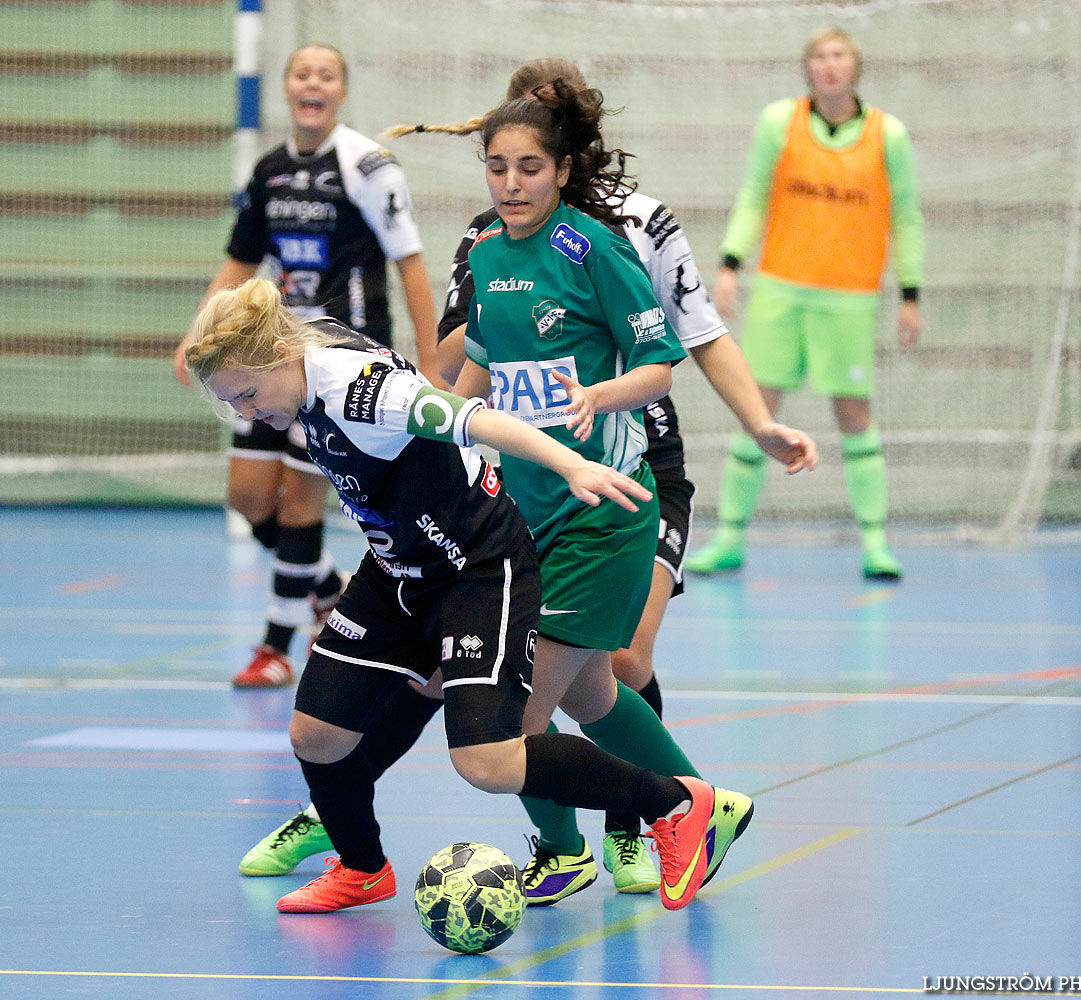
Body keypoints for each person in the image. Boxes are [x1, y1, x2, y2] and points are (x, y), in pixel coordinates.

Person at [238, 61, 803, 905]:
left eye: (528, 163)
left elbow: (665, 361)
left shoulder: (601, 241)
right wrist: (434, 438)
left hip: (600, 505)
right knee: (592, 691)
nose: (510, 180)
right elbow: (475, 377)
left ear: (564, 157)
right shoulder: (489, 253)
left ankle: (652, 819)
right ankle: (686, 812)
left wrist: (605, 401)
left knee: (512, 722)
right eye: (497, 164)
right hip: (523, 507)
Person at [186, 276, 732, 914]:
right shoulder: (297, 366)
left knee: (487, 761)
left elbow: (473, 417)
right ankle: (362, 868)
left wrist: (569, 463)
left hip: (479, 568)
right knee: (316, 734)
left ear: (279, 356)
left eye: (248, 395)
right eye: (234, 404)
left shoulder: (365, 393)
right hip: (397, 568)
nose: (249, 413)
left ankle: (677, 806)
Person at [172, 42, 442, 688]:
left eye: (325, 74)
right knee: (248, 499)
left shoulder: (367, 166)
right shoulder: (268, 172)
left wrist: (431, 360)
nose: (312, 83)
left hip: (329, 367)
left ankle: (274, 648)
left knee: (299, 506)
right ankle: (326, 588)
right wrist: (195, 336)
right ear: (287, 89)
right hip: (262, 359)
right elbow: (240, 259)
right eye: (301, 73)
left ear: (340, 91)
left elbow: (409, 261)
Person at [686, 27, 924, 580]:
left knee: (854, 413)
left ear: (856, 66)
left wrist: (910, 294)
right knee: (757, 410)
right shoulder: (779, 123)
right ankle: (729, 537)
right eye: (819, 56)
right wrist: (729, 263)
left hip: (849, 297)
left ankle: (875, 543)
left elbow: (906, 217)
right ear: (808, 68)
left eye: (839, 55)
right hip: (779, 289)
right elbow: (753, 195)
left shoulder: (888, 135)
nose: (830, 65)